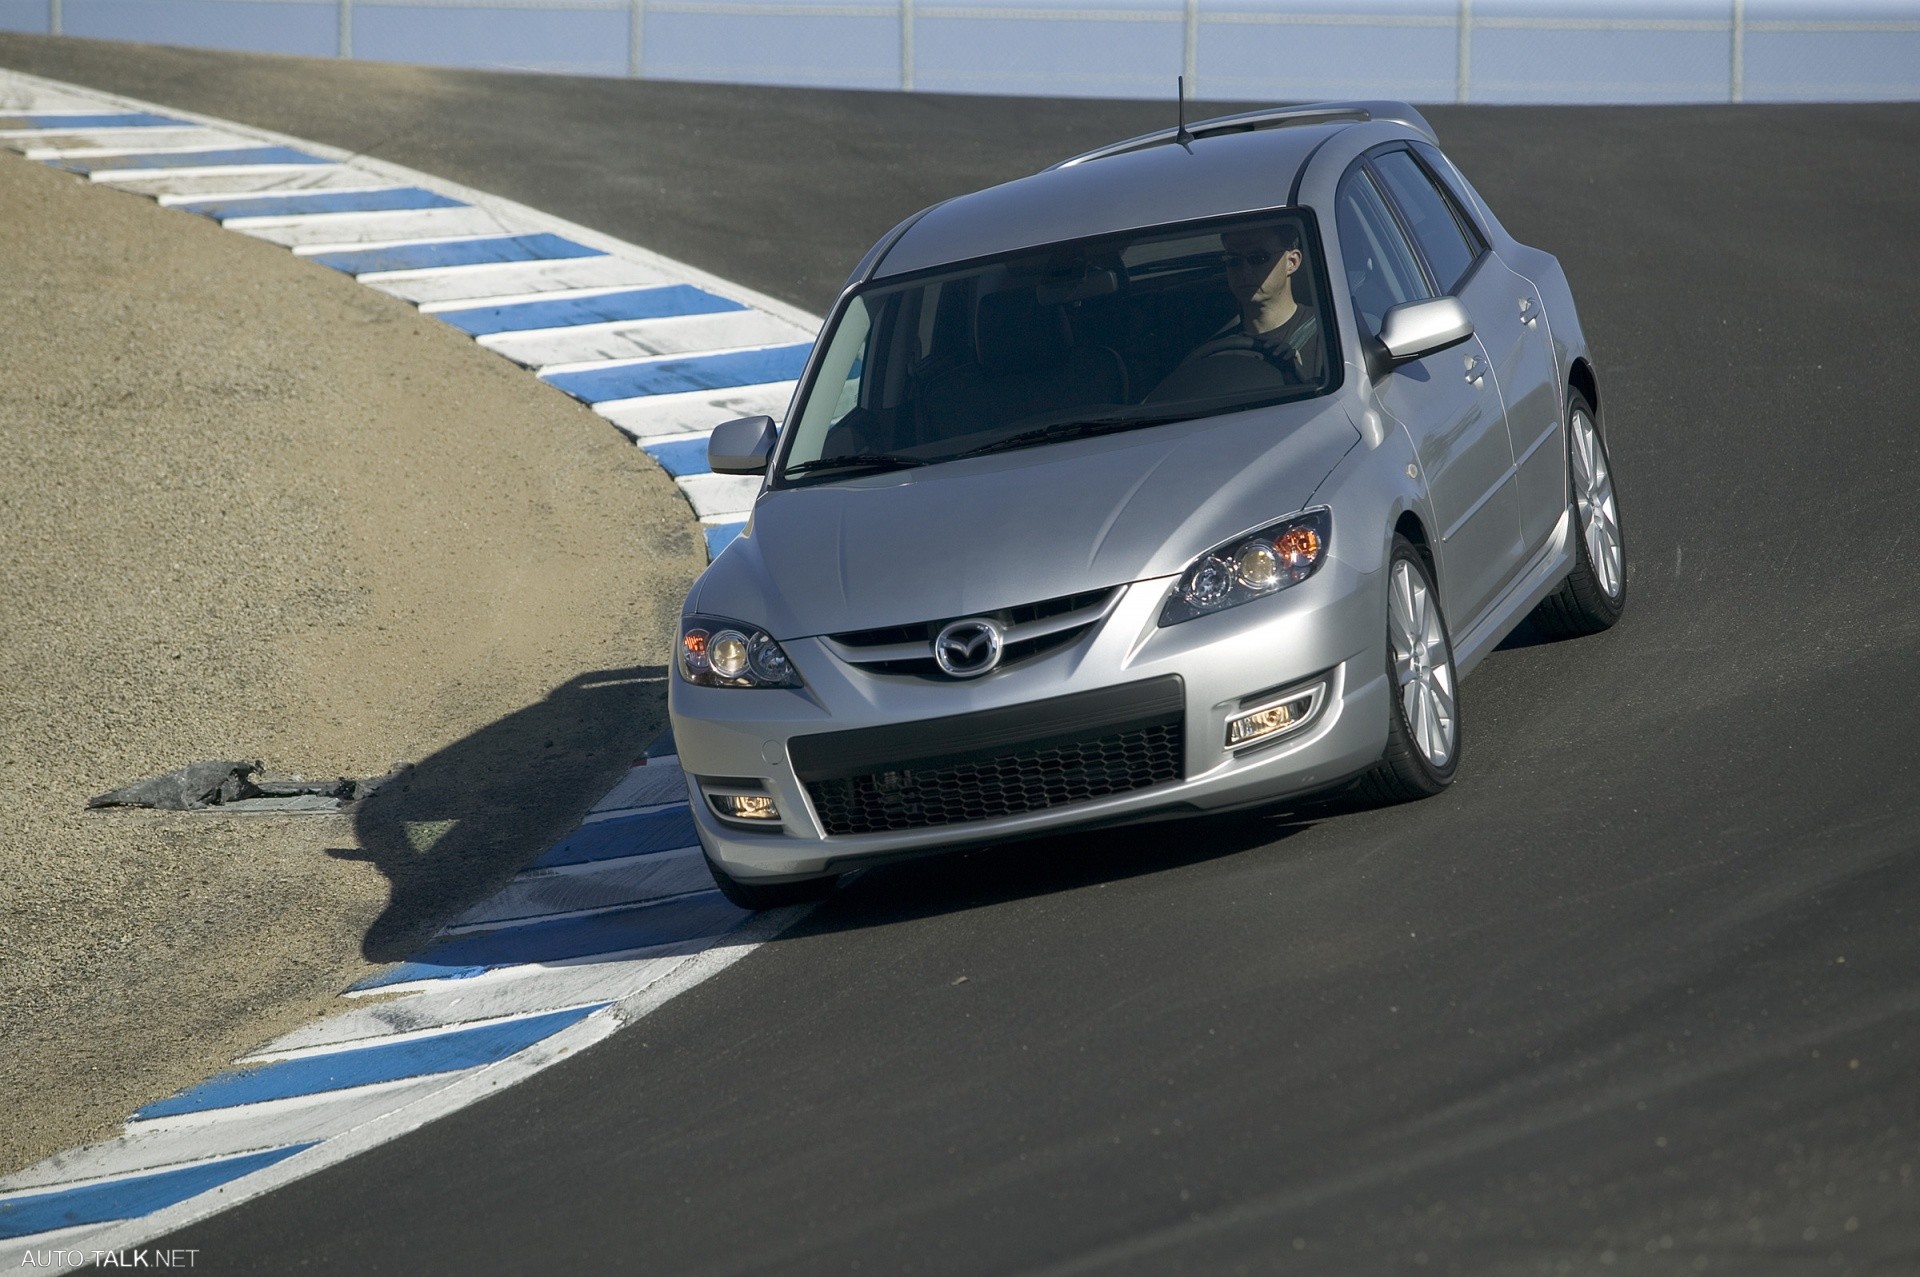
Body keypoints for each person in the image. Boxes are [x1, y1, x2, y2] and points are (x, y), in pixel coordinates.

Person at [1146, 222, 1325, 402]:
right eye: (1233, 260)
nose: (1244, 271)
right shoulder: (1212, 356)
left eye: (1258, 258)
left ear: (1292, 262)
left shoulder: (1330, 336)